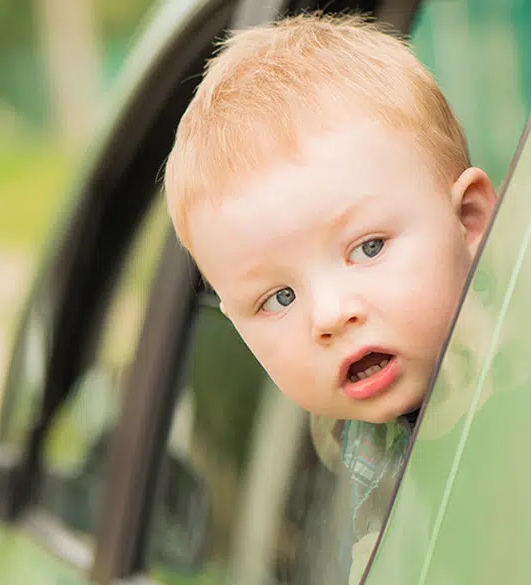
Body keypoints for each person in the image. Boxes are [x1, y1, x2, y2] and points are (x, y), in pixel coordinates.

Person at [160, 11, 497, 581]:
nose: (331, 315)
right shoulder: (340, 438)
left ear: (467, 220)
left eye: (368, 248)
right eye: (279, 297)